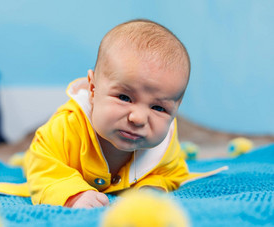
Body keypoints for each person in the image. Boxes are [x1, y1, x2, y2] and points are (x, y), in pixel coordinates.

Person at [24, 19, 210, 208]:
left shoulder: (164, 144)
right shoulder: (66, 127)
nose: (138, 118)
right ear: (93, 88)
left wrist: (152, 187)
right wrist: (74, 195)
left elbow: (171, 172)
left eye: (158, 108)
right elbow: (42, 166)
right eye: (124, 97)